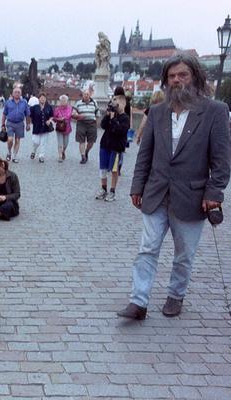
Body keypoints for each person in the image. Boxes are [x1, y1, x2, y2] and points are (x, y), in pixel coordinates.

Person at [117, 54, 230, 320]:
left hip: (192, 196)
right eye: (171, 76)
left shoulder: (214, 111)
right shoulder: (158, 111)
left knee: (183, 254)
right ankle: (138, 301)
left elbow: (222, 161)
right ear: (165, 81)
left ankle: (175, 295)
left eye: (183, 75)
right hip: (156, 192)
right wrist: (137, 186)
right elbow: (146, 153)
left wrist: (214, 193)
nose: (177, 80)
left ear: (195, 77)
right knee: (147, 248)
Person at [94, 95, 129, 202]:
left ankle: (112, 191)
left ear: (123, 104)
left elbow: (120, 131)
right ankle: (103, 188)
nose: (114, 105)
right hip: (105, 144)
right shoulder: (111, 115)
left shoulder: (125, 118)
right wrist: (107, 115)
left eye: (116, 103)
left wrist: (113, 119)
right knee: (103, 168)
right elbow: (103, 126)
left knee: (114, 170)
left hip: (116, 147)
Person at [2, 87, 31, 163]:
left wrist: (28, 124)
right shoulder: (8, 102)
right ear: (12, 93)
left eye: (18, 92)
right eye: (16, 92)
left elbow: (27, 114)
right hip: (10, 123)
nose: (17, 93)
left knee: (17, 140)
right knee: (10, 139)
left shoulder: (24, 102)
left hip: (20, 123)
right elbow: (4, 114)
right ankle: (9, 152)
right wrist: (2, 124)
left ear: (21, 93)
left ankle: (15, 156)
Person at [72, 90, 99, 164]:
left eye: (87, 94)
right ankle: (83, 156)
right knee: (81, 140)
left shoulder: (94, 103)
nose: (86, 95)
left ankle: (87, 151)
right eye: (85, 94)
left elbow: (98, 114)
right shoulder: (78, 103)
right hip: (81, 123)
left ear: (90, 95)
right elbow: (73, 113)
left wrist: (95, 121)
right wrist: (76, 115)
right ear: (82, 95)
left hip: (92, 123)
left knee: (91, 141)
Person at [29, 93, 54, 162]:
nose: (42, 99)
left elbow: (52, 116)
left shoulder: (49, 107)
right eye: (41, 97)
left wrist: (49, 120)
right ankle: (34, 151)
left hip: (45, 128)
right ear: (39, 99)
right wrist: (30, 122)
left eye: (44, 98)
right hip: (36, 127)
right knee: (36, 141)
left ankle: (41, 156)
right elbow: (30, 115)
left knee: (43, 143)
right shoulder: (34, 107)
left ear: (46, 99)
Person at [53, 94, 73, 162]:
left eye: (64, 100)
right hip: (59, 128)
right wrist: (59, 119)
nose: (63, 101)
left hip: (67, 128)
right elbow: (54, 118)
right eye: (62, 100)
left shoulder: (70, 108)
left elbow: (72, 116)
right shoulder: (57, 109)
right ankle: (60, 156)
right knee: (60, 143)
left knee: (66, 143)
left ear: (67, 101)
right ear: (60, 101)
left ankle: (63, 151)